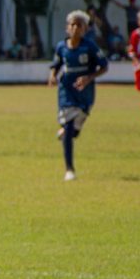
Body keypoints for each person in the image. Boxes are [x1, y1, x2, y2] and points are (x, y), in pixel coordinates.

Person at [48, 10, 108, 182]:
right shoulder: (61, 46)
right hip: (66, 90)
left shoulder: (89, 47)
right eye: (72, 24)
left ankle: (66, 132)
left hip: (85, 92)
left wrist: (89, 77)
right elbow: (57, 63)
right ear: (67, 28)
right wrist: (53, 75)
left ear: (85, 29)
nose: (75, 28)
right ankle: (69, 169)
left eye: (79, 25)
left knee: (74, 129)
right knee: (68, 127)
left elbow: (104, 66)